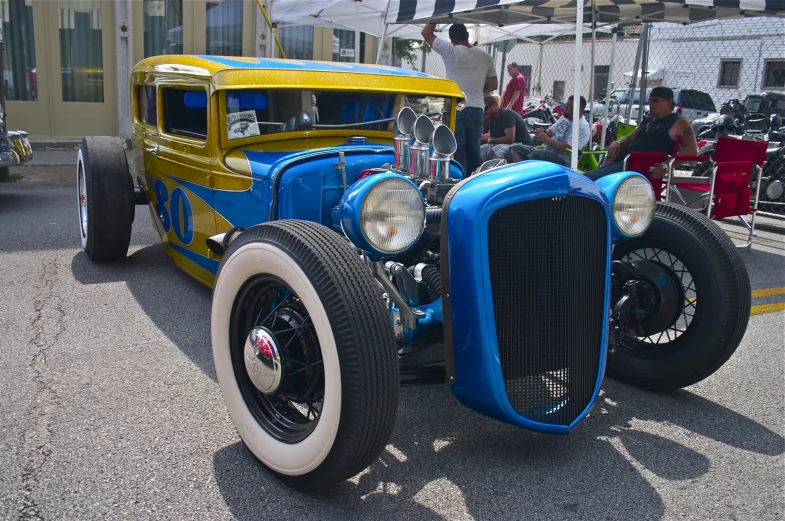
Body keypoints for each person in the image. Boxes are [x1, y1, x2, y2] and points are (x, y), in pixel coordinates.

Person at [422, 23, 497, 177]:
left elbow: (426, 33)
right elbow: (493, 84)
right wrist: (476, 88)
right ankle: (474, 180)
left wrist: (438, 15)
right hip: (476, 107)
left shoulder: (450, 50)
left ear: (451, 38)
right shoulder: (485, 56)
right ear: (467, 35)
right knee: (474, 150)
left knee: (456, 149)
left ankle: (457, 180)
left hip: (457, 107)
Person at [586, 87, 698, 181]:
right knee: (581, 177)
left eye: (655, 100)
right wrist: (618, 143)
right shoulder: (648, 120)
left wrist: (665, 165)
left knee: (587, 179)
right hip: (624, 162)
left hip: (640, 167)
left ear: (668, 103)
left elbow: (692, 150)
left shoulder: (678, 122)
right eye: (649, 100)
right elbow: (629, 139)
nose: (650, 103)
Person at [504, 95, 591, 167]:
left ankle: (526, 174)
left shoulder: (582, 127)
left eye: (569, 106)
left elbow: (568, 147)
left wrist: (547, 140)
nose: (566, 108)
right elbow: (551, 131)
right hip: (547, 152)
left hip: (562, 161)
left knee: (536, 156)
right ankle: (523, 173)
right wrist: (541, 133)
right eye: (566, 105)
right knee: (516, 149)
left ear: (579, 110)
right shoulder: (565, 118)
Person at [480, 94, 531, 162]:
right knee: (480, 150)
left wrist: (489, 140)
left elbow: (510, 139)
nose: (484, 112)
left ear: (494, 106)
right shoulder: (492, 118)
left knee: (497, 150)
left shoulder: (507, 115)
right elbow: (495, 139)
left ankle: (497, 171)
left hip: (521, 144)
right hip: (505, 144)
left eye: (485, 109)